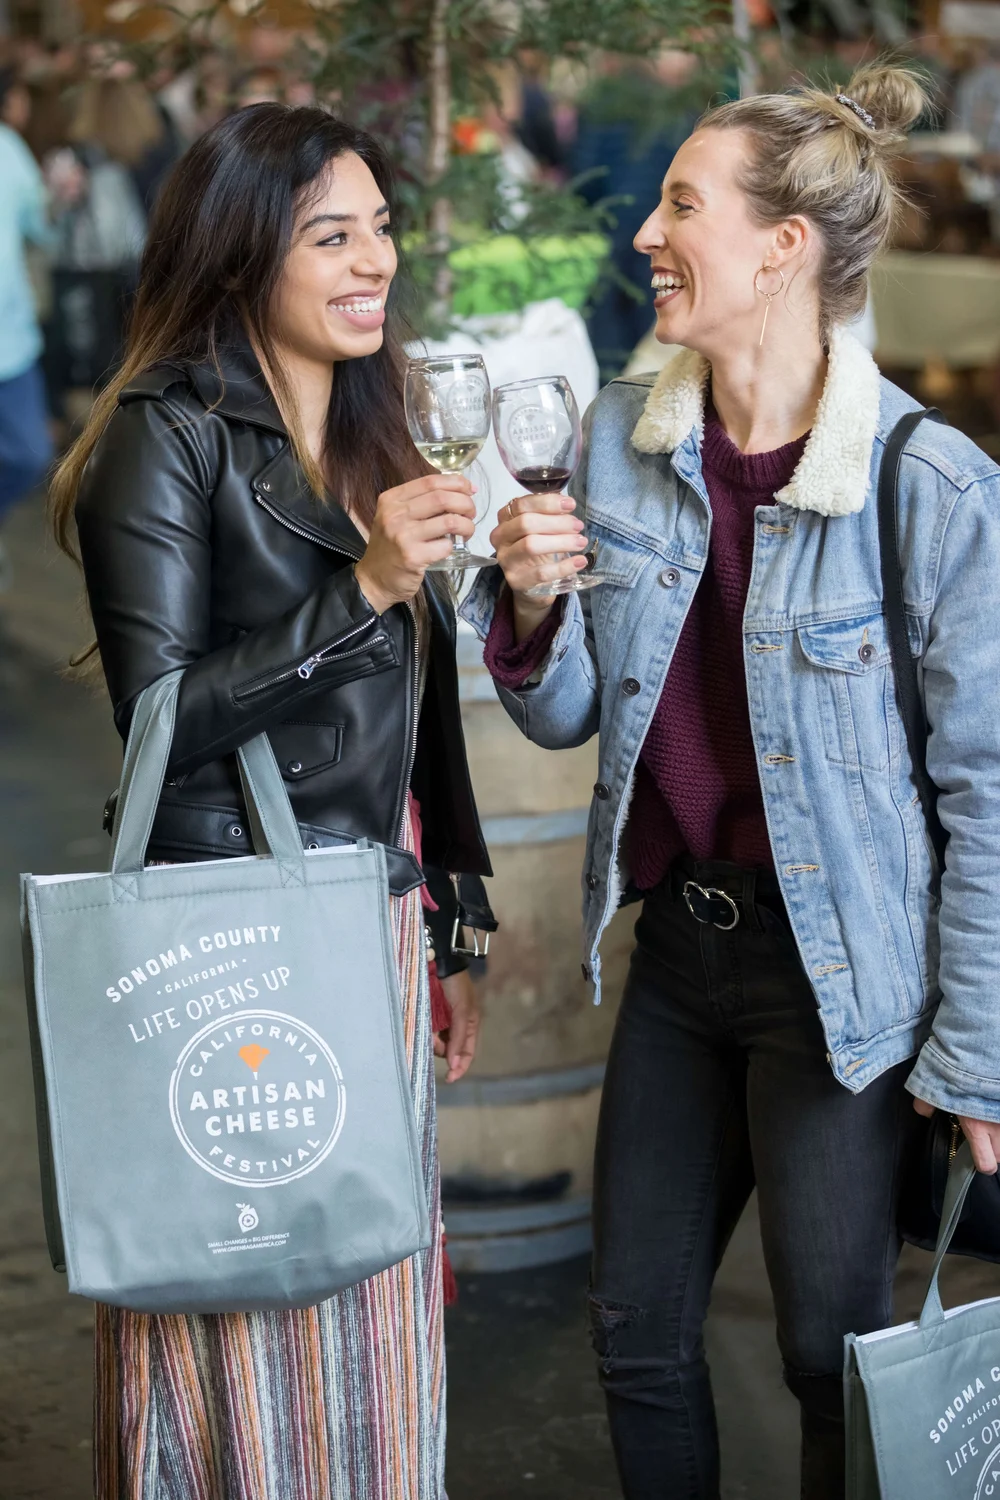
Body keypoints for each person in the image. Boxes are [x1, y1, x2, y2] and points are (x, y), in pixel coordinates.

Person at [463, 61, 1000, 1500]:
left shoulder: (927, 488)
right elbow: (577, 716)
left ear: (785, 248)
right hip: (678, 959)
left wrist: (979, 1060)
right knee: (636, 1331)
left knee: (831, 1357)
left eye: (679, 204)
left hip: (843, 984)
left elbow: (991, 797)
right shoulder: (619, 447)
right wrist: (524, 615)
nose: (645, 230)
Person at [49, 104, 493, 1500]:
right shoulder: (162, 434)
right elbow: (160, 722)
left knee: (369, 1303)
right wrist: (356, 588)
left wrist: (454, 917)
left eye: (379, 228)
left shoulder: (372, 420)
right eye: (332, 236)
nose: (377, 261)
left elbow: (415, 707)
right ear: (244, 255)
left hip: (371, 916)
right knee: (244, 1288)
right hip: (234, 945)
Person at [0, 66, 54, 567]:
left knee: (29, 453)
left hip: (9, 342)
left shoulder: (9, 150)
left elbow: (42, 227)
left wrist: (59, 203)